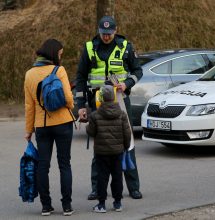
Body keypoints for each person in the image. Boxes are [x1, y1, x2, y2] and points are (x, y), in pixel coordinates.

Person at [75, 15, 143, 199]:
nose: (106, 37)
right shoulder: (89, 48)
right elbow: (80, 78)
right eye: (103, 33)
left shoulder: (125, 47)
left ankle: (133, 187)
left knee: (127, 143)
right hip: (97, 102)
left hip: (120, 101)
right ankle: (97, 189)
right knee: (100, 146)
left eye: (109, 33)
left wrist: (127, 83)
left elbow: (138, 71)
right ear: (99, 30)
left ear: (115, 30)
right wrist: (80, 106)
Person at [24, 39, 75, 216]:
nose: (61, 56)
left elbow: (29, 105)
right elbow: (68, 98)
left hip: (42, 126)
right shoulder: (59, 70)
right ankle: (67, 206)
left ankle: (46, 206)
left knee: (43, 166)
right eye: (60, 53)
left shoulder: (29, 74)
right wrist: (71, 106)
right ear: (54, 53)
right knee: (64, 164)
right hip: (63, 123)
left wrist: (28, 129)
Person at [86, 85, 131, 213]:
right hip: (117, 152)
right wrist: (126, 147)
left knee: (102, 177)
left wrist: (87, 126)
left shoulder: (95, 115)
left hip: (101, 152)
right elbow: (127, 133)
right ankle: (117, 203)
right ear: (113, 97)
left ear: (102, 98)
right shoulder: (121, 114)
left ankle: (101, 204)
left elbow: (91, 132)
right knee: (117, 176)